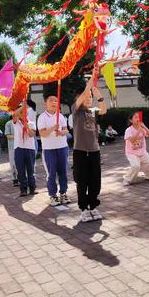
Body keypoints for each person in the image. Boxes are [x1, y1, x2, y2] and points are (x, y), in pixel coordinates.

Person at [72, 75, 107, 222]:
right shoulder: (76, 110)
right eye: (86, 96)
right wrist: (92, 77)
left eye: (90, 97)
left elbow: (104, 110)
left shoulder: (93, 111)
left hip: (94, 151)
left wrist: (98, 95)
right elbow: (84, 94)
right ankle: (84, 209)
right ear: (79, 99)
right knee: (82, 181)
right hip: (80, 152)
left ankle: (93, 206)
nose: (88, 98)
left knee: (95, 182)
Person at [37, 93, 71, 206]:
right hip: (49, 149)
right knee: (51, 174)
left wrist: (61, 132)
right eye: (51, 100)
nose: (53, 103)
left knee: (63, 172)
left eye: (56, 101)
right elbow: (42, 133)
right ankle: (53, 195)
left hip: (62, 147)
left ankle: (63, 193)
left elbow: (66, 130)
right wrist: (52, 128)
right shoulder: (42, 117)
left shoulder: (60, 116)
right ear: (45, 103)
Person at [123, 112, 149, 185]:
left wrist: (144, 126)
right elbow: (132, 140)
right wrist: (139, 130)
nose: (138, 119)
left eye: (138, 117)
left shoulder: (142, 128)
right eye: (135, 117)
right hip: (131, 153)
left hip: (142, 152)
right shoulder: (128, 130)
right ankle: (127, 179)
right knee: (136, 166)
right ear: (131, 120)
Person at [12, 105, 37, 196]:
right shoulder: (16, 122)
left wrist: (26, 125)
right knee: (21, 170)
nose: (22, 114)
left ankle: (32, 187)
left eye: (24, 112)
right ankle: (23, 189)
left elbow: (31, 134)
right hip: (19, 149)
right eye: (21, 112)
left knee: (31, 170)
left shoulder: (31, 123)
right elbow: (15, 113)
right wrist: (23, 105)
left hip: (30, 148)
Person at [4, 118, 18, 186]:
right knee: (13, 163)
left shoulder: (22, 122)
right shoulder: (9, 123)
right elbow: (7, 135)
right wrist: (17, 136)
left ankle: (21, 178)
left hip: (21, 146)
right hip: (12, 147)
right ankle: (15, 179)